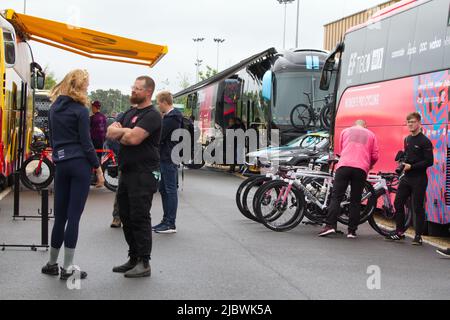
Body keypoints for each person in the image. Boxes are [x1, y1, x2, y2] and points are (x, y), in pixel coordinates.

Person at [41, 69, 104, 281]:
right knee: (74, 218)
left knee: (59, 217)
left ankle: (51, 263)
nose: (88, 87)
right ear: (80, 86)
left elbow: (52, 137)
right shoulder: (80, 110)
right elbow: (86, 144)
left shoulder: (53, 109)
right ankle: (67, 268)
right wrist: (98, 168)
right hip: (79, 165)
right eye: (87, 84)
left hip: (61, 163)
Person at [106, 76, 161, 278]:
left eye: (137, 89)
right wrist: (124, 132)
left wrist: (125, 132)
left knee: (140, 217)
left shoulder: (153, 115)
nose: (133, 91)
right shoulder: (129, 112)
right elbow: (110, 132)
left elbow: (134, 138)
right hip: (127, 172)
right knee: (126, 217)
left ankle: (144, 262)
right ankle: (133, 257)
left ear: (148, 92)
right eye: (133, 87)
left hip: (144, 173)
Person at [319, 120, 379, 239]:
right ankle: (352, 231)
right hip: (361, 168)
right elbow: (375, 155)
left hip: (344, 166)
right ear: (365, 126)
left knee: (336, 197)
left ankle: (330, 225)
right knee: (355, 200)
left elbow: (342, 149)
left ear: (354, 124)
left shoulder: (345, 131)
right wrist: (369, 164)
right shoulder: (371, 134)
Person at [386, 112, 434, 245]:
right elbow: (408, 155)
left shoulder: (425, 141)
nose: (410, 124)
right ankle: (399, 232)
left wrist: (411, 166)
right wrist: (402, 159)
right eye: (408, 122)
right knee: (398, 203)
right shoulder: (407, 139)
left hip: (419, 178)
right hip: (406, 178)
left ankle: (418, 236)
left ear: (419, 123)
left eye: (413, 122)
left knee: (417, 207)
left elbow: (429, 162)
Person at [152, 91, 182, 234]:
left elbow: (159, 135)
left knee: (170, 190)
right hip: (165, 157)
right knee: (164, 190)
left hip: (168, 158)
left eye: (159, 103)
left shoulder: (172, 117)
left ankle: (170, 223)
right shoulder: (170, 116)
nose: (158, 106)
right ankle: (166, 221)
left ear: (164, 102)